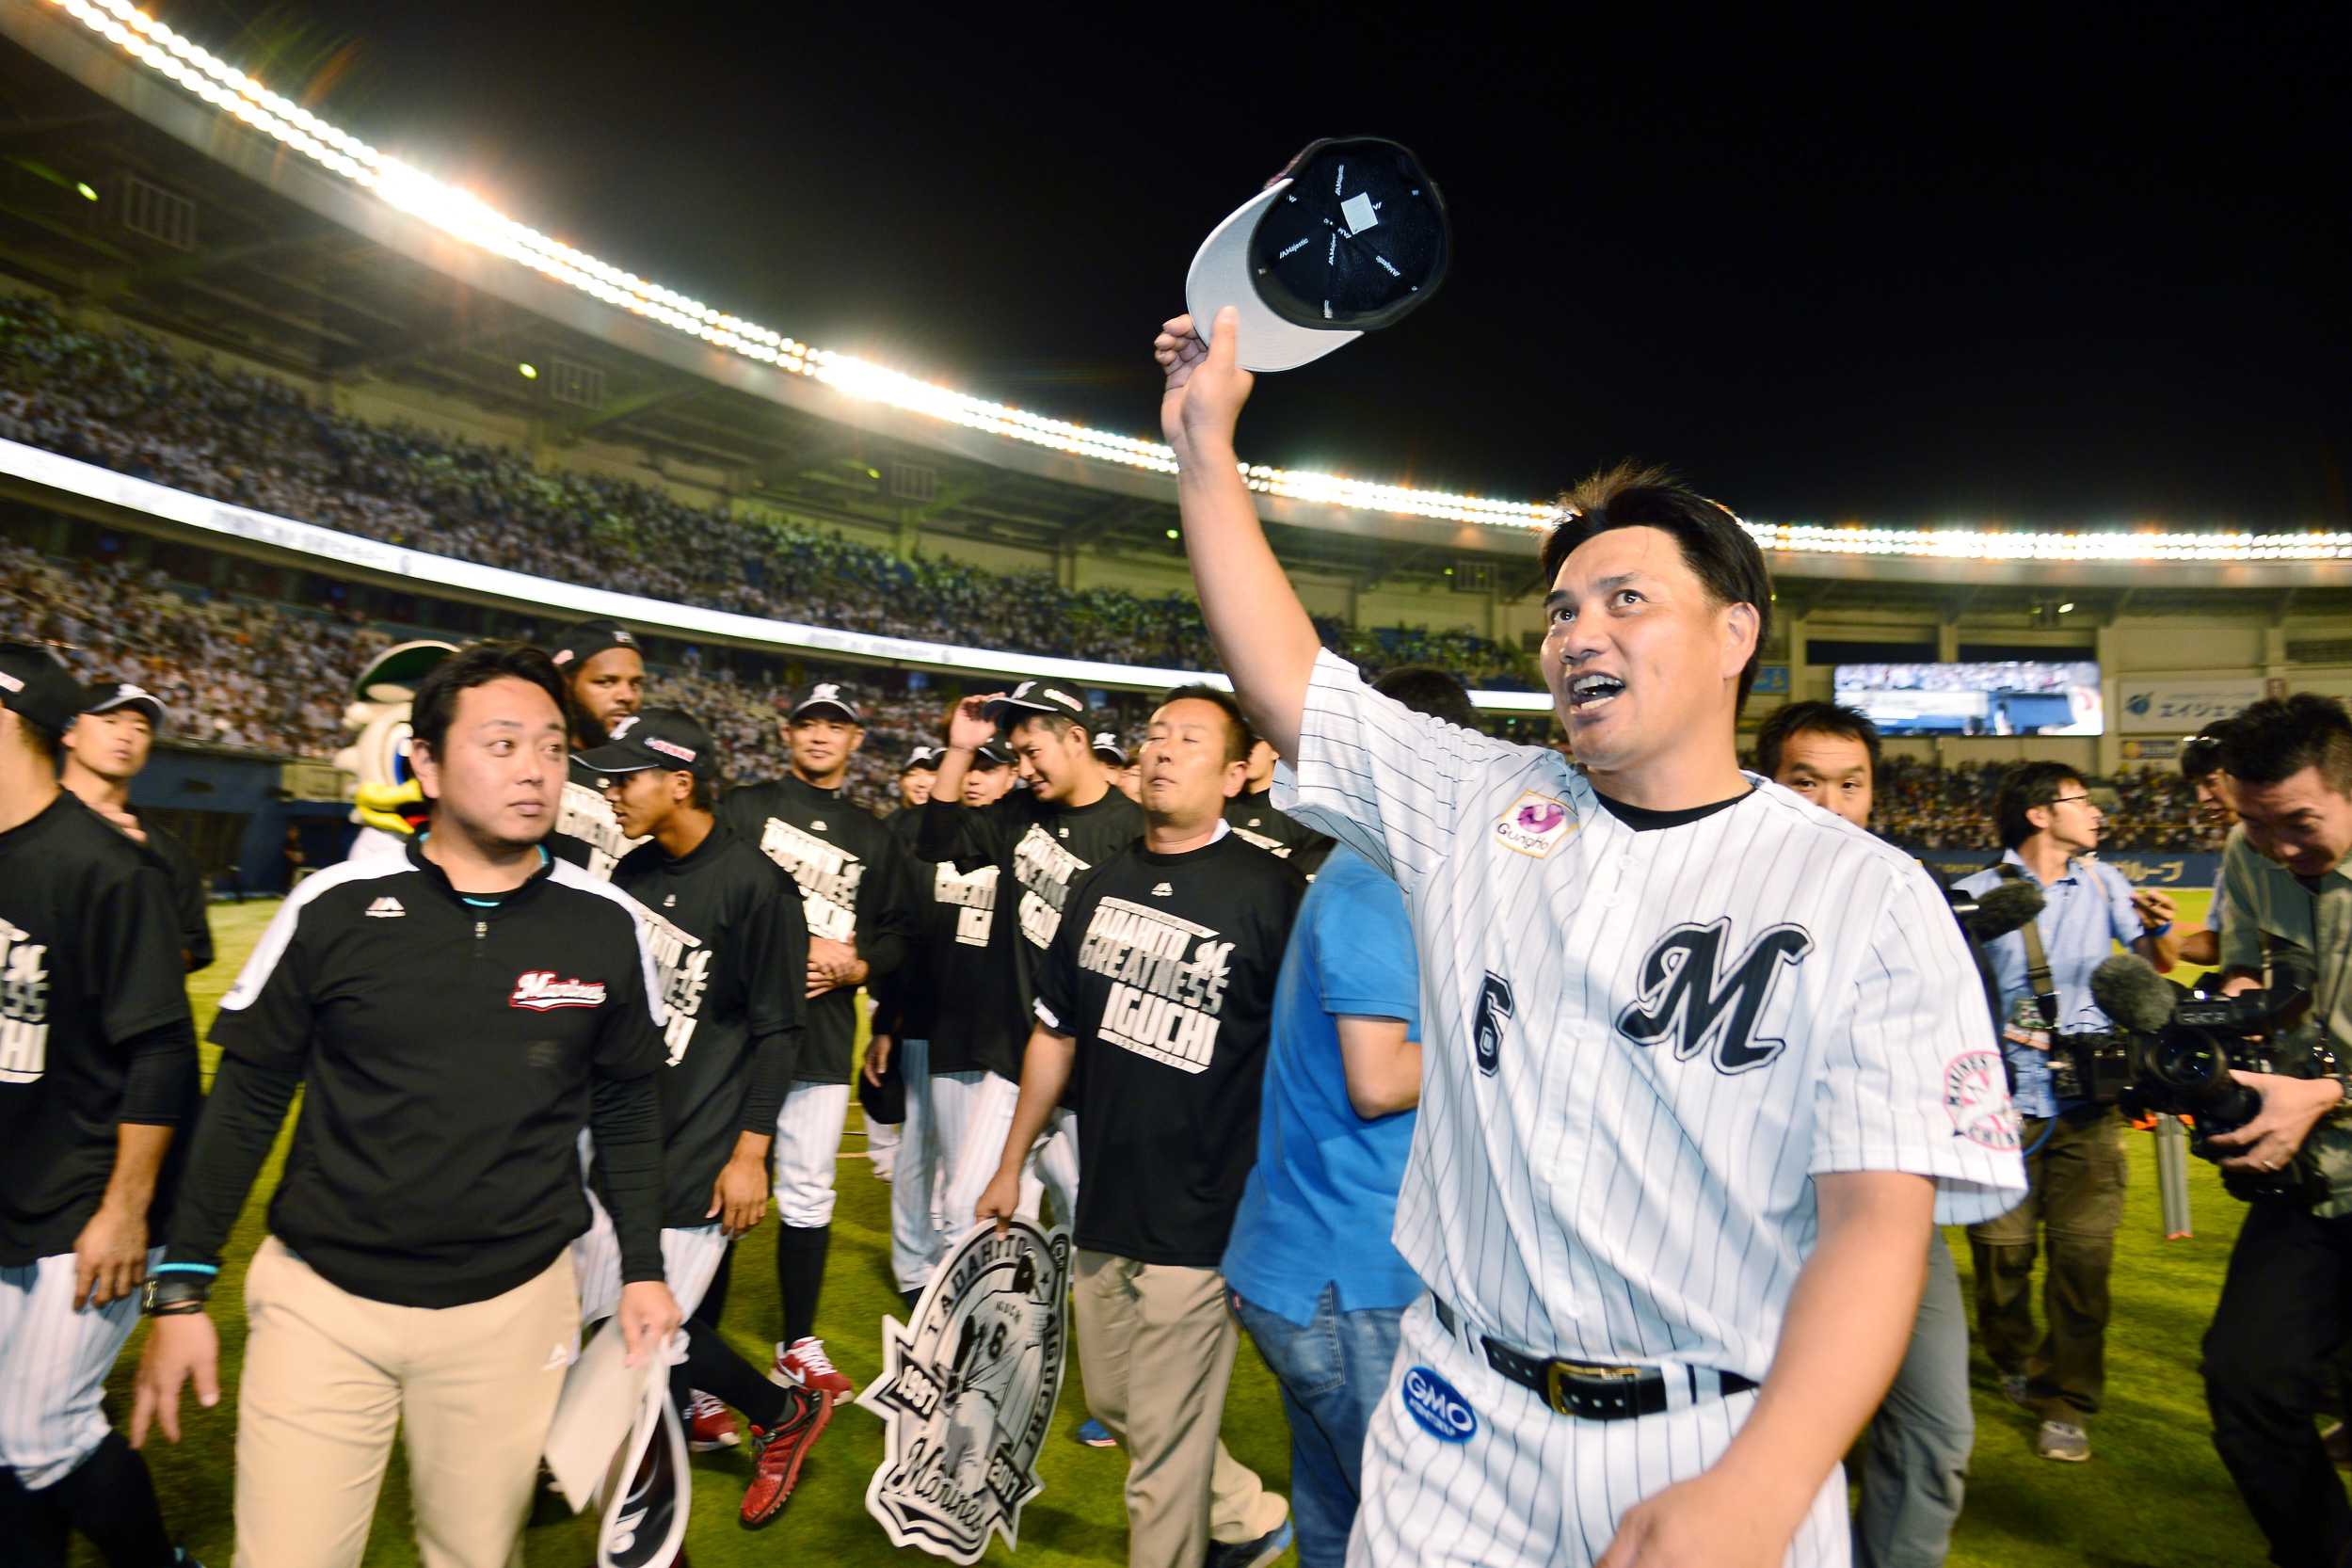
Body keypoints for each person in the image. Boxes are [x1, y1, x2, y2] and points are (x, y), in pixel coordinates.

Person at [1155, 307, 2025, 1568]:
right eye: (1560, 611)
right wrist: (1201, 449)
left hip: (1716, 1433)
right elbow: (1292, 683)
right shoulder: (1477, 805)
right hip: (1454, 1416)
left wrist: (1764, 1482)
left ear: (1733, 633)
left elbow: (1875, 1227)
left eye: (1625, 599)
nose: (1576, 634)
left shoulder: (1863, 894)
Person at [131, 641, 682, 1568]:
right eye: (502, 744)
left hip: (512, 1308)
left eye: (551, 747)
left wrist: (639, 1266)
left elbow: (626, 1104)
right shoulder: (334, 904)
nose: (535, 769)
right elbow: (248, 1097)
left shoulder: (605, 923)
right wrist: (183, 1284)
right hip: (322, 1303)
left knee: (474, 1556)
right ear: (423, 760)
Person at [977, 684, 1301, 1568]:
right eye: (1156, 734)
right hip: (1107, 1193)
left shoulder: (1274, 894)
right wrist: (1012, 1162)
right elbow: (1055, 1031)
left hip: (1203, 1210)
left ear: (1236, 773)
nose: (1160, 750)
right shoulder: (1100, 882)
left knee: (1154, 1452)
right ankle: (1245, 1514)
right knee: (1118, 1404)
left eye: (1189, 739)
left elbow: (1301, 1064)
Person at [1221, 664, 1474, 1568]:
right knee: (1417, 1537)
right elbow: (1377, 1079)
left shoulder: (1369, 871)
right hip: (1349, 1275)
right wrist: (1502, 1046)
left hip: (1309, 1263)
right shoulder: (1377, 881)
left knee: (1338, 1530)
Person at [580, 707, 830, 1527]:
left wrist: (750, 1152)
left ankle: (779, 1416)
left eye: (627, 777)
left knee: (650, 1330)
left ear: (680, 783)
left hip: (700, 1141)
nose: (611, 792)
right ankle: (759, 1416)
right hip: (623, 1127)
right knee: (610, 1314)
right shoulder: (634, 873)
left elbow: (779, 1031)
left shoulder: (757, 888)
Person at [1754, 700, 1980, 1568]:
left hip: (1886, 1210)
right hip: (1753, 1212)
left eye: (1851, 784)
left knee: (1935, 1433)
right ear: (1766, 781)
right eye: (1805, 781)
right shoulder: (1706, 886)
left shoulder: (1904, 896)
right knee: (1777, 1433)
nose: (1830, 804)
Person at [0, 645, 200, 1568]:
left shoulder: (105, 866)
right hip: (14, 1178)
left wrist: (126, 1208)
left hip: (89, 1198)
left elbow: (161, 1053)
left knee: (44, 1429)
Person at [1954, 760, 2174, 1464]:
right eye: (2081, 801)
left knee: (2084, 1259)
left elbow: (2151, 967)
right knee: (2001, 1257)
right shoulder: (1975, 892)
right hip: (2000, 1103)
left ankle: (2067, 1398)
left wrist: (2158, 933)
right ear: (2040, 813)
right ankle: (2012, 1356)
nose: (2097, 813)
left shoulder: (2106, 882)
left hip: (2089, 1102)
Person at [721, 680, 910, 1405]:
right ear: (787, 732)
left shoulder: (873, 834)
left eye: (837, 725)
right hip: (738, 1031)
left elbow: (898, 936)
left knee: (807, 1190)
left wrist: (860, 965)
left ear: (857, 740)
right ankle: (696, 1354)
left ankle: (796, 1343)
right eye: (809, 722)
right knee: (721, 1189)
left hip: (823, 1035)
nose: (822, 734)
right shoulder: (744, 808)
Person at [2198, 695, 2352, 1567]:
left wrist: (2326, 1092)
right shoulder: (2248, 850)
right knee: (2246, 1381)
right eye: (2256, 828)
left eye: (2297, 826)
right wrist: (2228, 1013)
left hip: (2319, 1128)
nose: (2276, 851)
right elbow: (2252, 975)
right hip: (2308, 1178)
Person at [920, 681, 1144, 1240]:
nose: (1022, 769)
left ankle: (1058, 1327)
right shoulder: (1019, 812)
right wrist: (961, 749)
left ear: (1075, 739)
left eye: (1031, 753)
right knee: (968, 1213)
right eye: (1015, 755)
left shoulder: (1132, 830)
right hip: (1020, 1057)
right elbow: (934, 839)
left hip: (1097, 1071)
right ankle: (1007, 1328)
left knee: (1092, 1225)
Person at [872, 743, 1032, 1299]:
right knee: (918, 1153)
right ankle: (915, 1270)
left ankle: (962, 1266)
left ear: (1012, 773)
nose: (975, 779)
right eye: (969, 766)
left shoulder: (1021, 835)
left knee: (978, 1163)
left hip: (991, 1027)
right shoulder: (923, 833)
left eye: (990, 768)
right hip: (925, 1017)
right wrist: (885, 1025)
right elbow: (901, 930)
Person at [60, 681, 213, 970]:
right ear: (69, 732)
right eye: (110, 721)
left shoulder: (165, 852)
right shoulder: (22, 818)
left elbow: (193, 949)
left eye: (141, 729)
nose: (126, 736)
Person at [550, 617, 648, 877]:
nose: (626, 696)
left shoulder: (650, 777)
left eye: (635, 684)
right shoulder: (537, 765)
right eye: (605, 682)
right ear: (565, 685)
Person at [2161, 721, 2245, 968]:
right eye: (2197, 785)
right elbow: (2220, 944)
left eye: (2210, 781)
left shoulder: (2296, 849)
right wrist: (2154, 938)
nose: (2202, 797)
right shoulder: (2238, 848)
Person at [1224, 730, 1335, 873]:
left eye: (1253, 744)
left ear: (1275, 750)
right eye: (1242, 744)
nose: (1247, 752)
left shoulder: (1301, 811)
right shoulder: (1218, 803)